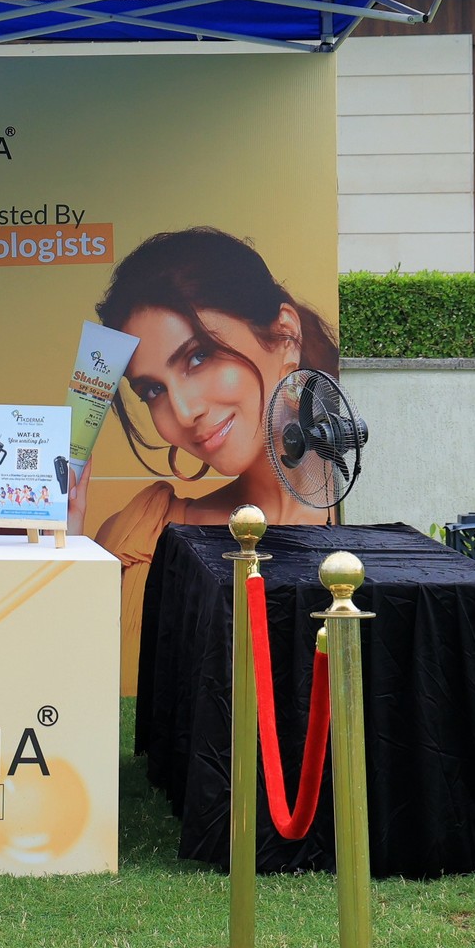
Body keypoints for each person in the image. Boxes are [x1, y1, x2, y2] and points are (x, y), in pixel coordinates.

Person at [69, 227, 339, 691]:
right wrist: (63, 558)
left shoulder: (376, 526)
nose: (182, 412)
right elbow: (77, 703)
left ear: (285, 335)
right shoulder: (143, 542)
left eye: (198, 357)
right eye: (153, 390)